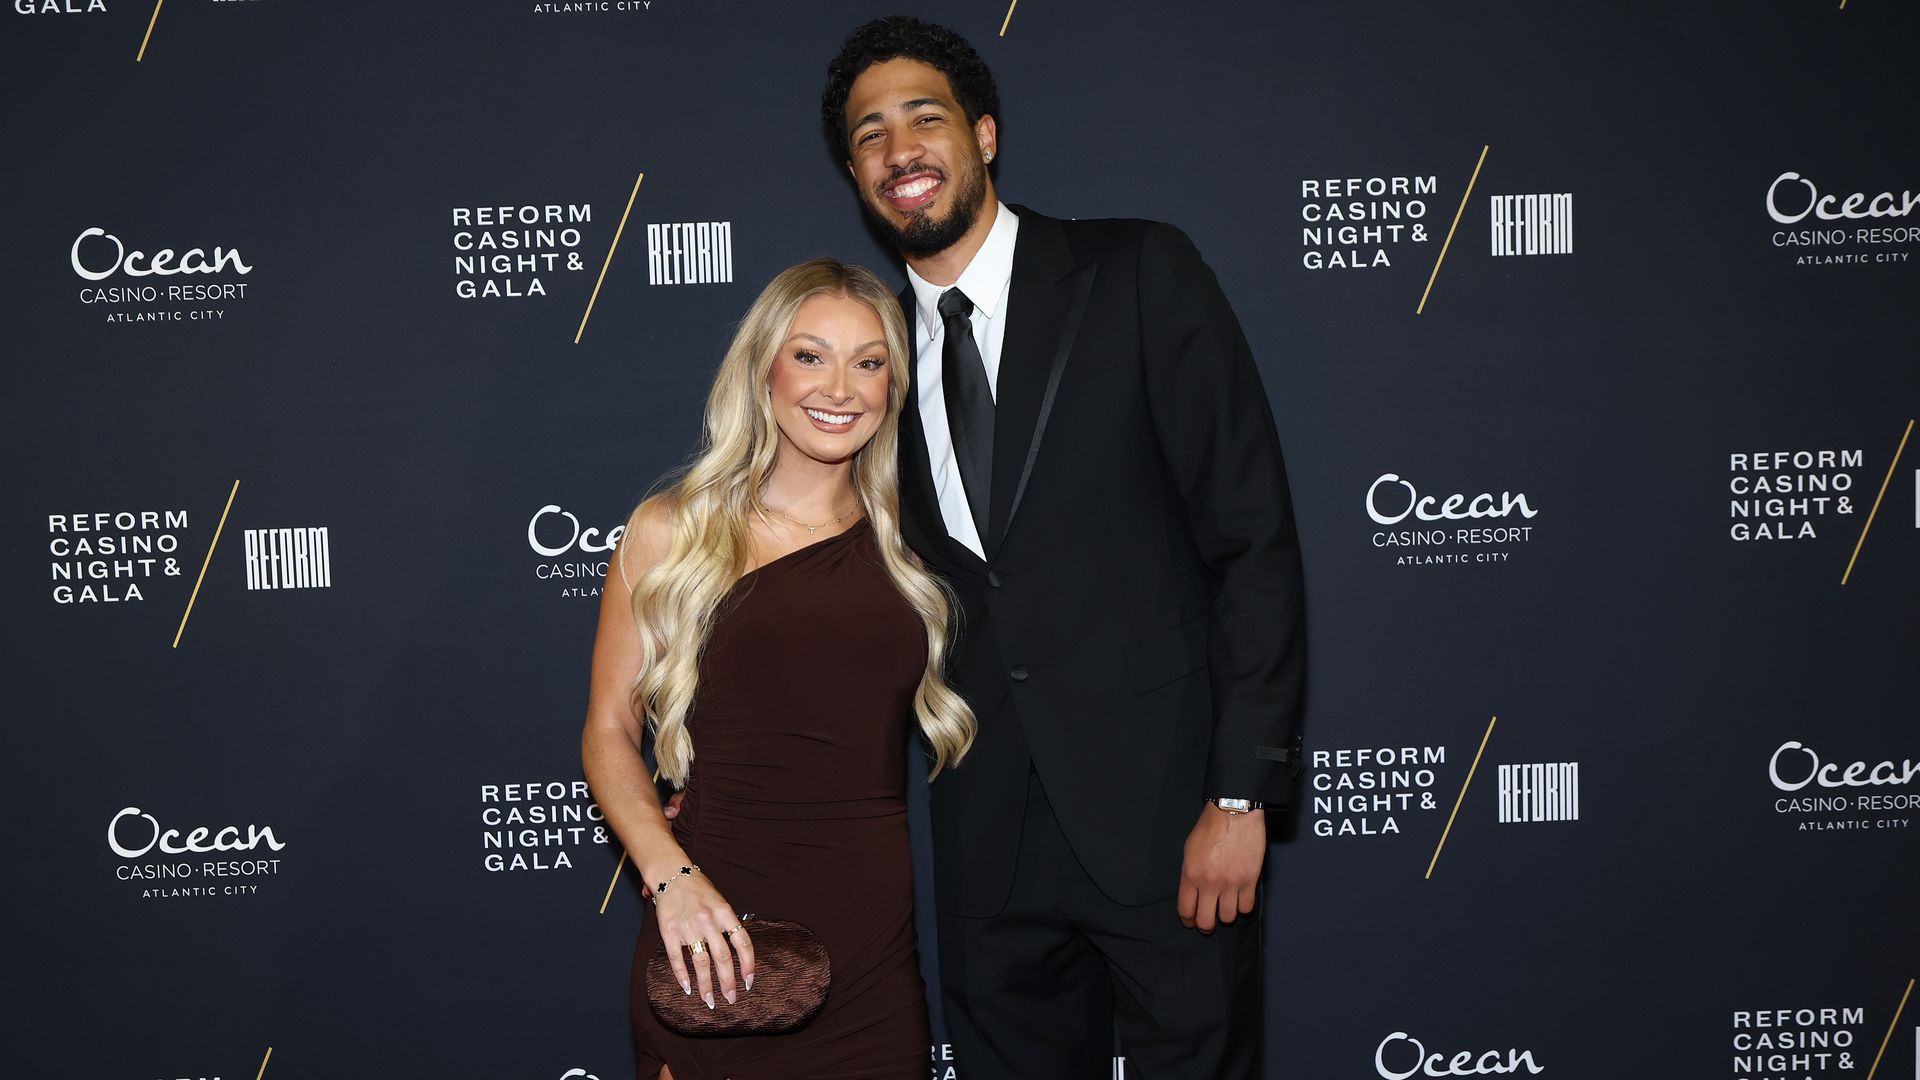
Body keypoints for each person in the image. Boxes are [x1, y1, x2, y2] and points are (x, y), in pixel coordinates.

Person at [820, 18, 1308, 1078]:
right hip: (987, 848)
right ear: (856, 175)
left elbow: (1253, 541)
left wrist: (1240, 797)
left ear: (984, 135)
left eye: (924, 117)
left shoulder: (1134, 272)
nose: (899, 149)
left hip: (1170, 825)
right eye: (869, 135)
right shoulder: (868, 367)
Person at [580, 257, 976, 1080]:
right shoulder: (673, 529)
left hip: (872, 937)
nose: (841, 387)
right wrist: (672, 879)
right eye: (811, 355)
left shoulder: (916, 539)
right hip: (719, 920)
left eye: (870, 362)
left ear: (894, 387)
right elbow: (610, 729)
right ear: (763, 369)